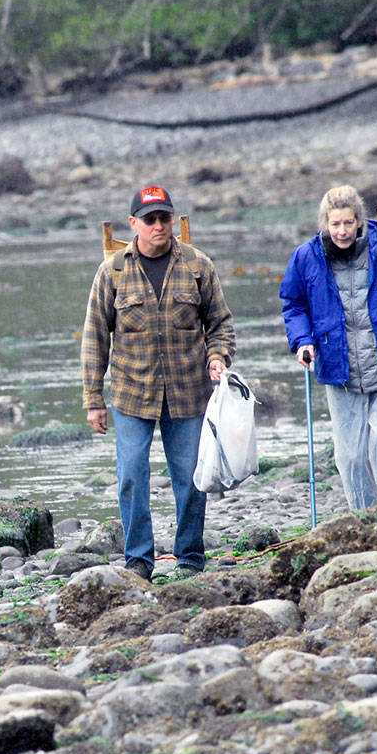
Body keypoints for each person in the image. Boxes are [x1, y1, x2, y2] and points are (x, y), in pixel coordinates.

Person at [81, 185, 236, 582]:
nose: (158, 226)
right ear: (133, 224)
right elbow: (95, 336)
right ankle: (138, 559)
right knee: (132, 473)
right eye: (149, 219)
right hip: (131, 393)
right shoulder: (112, 271)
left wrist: (217, 357)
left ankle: (189, 554)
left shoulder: (198, 265)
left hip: (188, 392)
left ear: (173, 220)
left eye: (164, 217)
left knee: (189, 476)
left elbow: (220, 324)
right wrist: (93, 399)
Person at [279, 184, 377, 523]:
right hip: (340, 370)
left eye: (348, 223)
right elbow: (294, 304)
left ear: (359, 221)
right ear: (324, 223)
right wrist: (302, 341)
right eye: (334, 224)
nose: (341, 231)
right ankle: (366, 523)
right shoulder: (306, 257)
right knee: (351, 456)